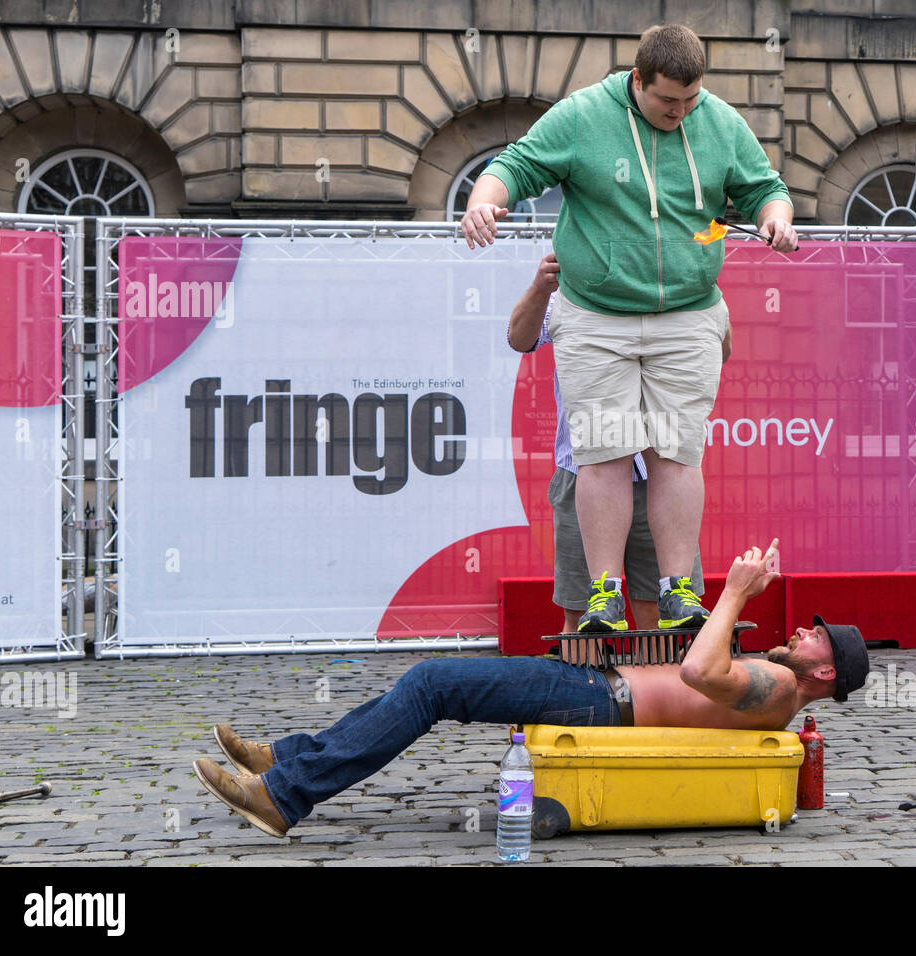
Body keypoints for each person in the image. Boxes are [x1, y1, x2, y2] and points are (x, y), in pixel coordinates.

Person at [461, 24, 797, 634]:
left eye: (691, 101)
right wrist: (485, 198)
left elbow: (766, 189)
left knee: (676, 452)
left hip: (689, 313)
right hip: (596, 314)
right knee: (604, 453)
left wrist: (776, 218)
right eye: (669, 101)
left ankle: (679, 595)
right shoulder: (584, 115)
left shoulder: (716, 120)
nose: (680, 113)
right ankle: (604, 598)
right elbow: (516, 164)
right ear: (637, 80)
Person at [192, 540, 870, 838]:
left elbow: (697, 671)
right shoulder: (780, 685)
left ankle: (285, 797)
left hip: (600, 704)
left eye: (815, 637)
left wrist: (736, 591)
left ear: (825, 673)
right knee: (429, 684)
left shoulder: (781, 688)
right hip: (598, 692)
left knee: (430, 683)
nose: (803, 634)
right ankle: (288, 758)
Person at [507, 252, 730, 643]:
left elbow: (717, 349)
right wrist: (543, 286)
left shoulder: (672, 285)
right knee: (583, 616)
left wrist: (700, 287)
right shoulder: (573, 290)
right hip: (582, 473)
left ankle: (656, 701)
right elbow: (518, 338)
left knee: (660, 609)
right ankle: (587, 700)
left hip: (655, 476)